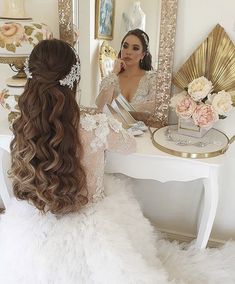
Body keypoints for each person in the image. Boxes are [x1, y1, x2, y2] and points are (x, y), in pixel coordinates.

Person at [1, 39, 235, 284]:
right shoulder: (95, 127)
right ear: (74, 80)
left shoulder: (23, 126)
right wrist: (107, 123)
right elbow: (129, 144)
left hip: (38, 219)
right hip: (92, 223)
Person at [95, 28, 157, 112]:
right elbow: (100, 107)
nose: (128, 52)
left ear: (143, 54)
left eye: (135, 48)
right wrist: (114, 72)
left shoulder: (152, 79)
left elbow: (155, 109)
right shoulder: (111, 79)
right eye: (125, 46)